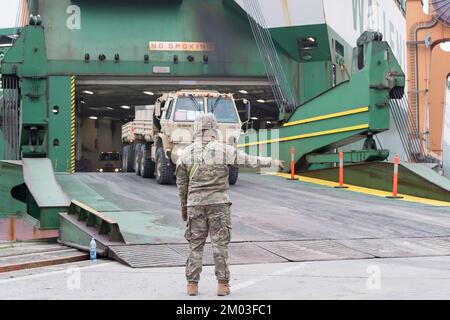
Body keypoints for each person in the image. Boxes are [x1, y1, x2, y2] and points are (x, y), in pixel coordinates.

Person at [175, 113, 284, 296]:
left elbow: (182, 185)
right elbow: (249, 160)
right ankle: (223, 285)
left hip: (195, 206)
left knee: (195, 246)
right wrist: (271, 162)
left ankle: (192, 285)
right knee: (220, 246)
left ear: (196, 128)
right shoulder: (224, 150)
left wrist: (184, 208)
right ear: (214, 128)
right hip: (219, 205)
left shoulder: (185, 153)